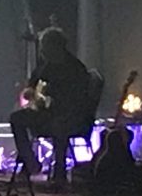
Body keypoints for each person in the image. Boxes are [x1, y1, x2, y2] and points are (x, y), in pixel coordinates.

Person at [9, 27, 90, 181]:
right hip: (46, 112)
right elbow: (32, 85)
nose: (42, 51)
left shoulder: (75, 68)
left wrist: (56, 99)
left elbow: (79, 99)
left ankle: (60, 172)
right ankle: (30, 162)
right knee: (16, 118)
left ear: (57, 46)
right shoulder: (44, 66)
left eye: (45, 46)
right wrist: (29, 92)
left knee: (60, 125)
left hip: (71, 116)